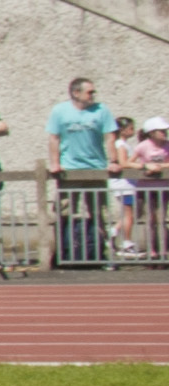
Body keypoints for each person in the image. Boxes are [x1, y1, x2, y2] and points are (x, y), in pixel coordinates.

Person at [48, 75, 116, 268]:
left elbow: (110, 137)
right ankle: (62, 253)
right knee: (63, 212)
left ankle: (101, 254)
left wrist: (113, 161)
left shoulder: (102, 110)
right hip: (70, 170)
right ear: (76, 93)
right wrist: (55, 163)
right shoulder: (60, 111)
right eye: (89, 92)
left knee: (98, 212)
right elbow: (54, 138)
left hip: (95, 169)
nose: (93, 95)